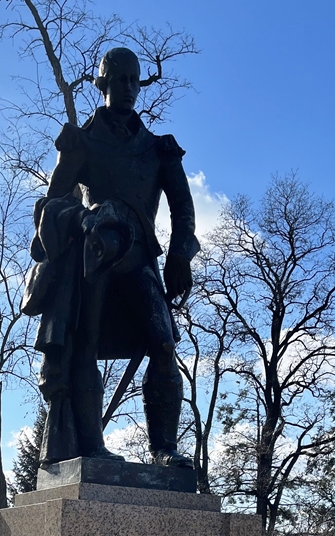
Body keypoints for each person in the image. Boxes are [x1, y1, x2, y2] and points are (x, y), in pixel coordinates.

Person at [22, 46, 199, 468]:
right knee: (86, 344)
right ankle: (92, 446)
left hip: (140, 260)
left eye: (134, 80)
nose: (127, 88)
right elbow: (51, 204)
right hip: (93, 259)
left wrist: (179, 257)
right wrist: (82, 219)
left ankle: (164, 448)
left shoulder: (159, 149)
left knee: (163, 342)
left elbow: (184, 212)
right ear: (101, 83)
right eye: (118, 79)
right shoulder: (81, 142)